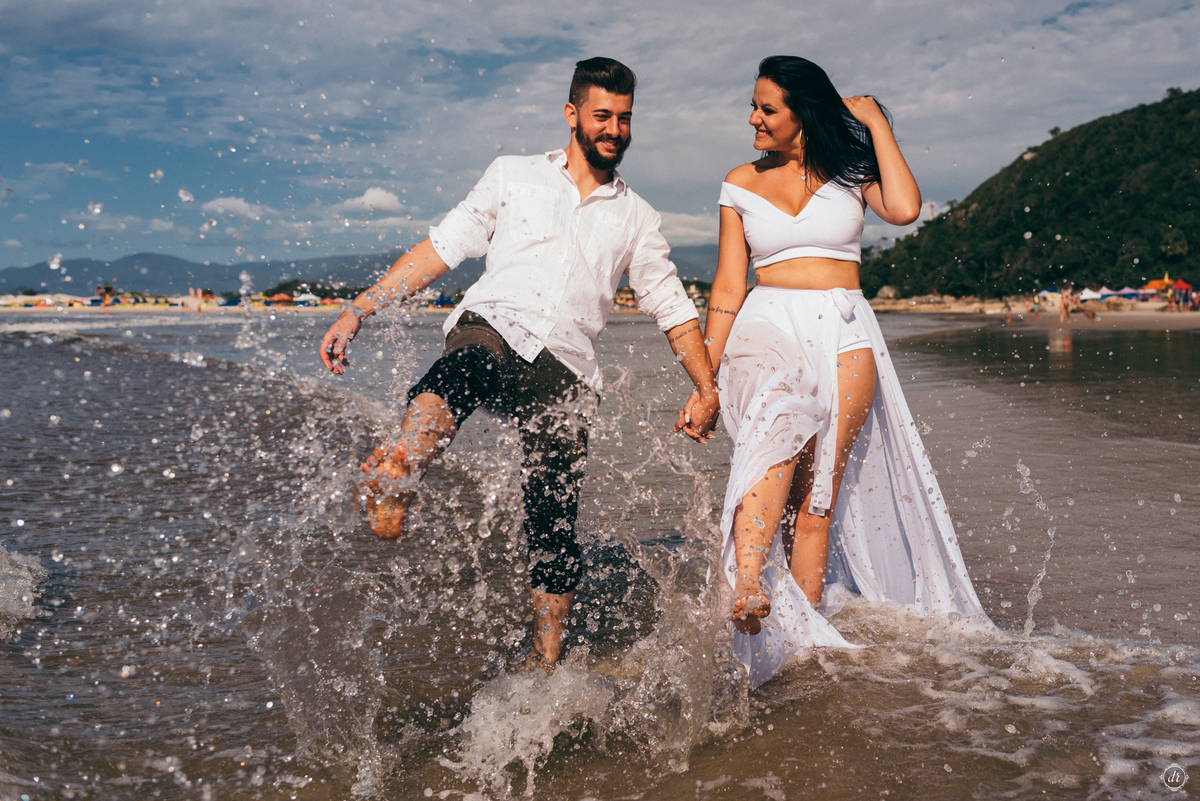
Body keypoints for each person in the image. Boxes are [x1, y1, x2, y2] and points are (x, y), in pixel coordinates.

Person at [319, 57, 720, 670]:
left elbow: (671, 304)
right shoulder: (513, 175)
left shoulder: (637, 216)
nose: (615, 129)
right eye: (603, 115)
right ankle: (400, 470)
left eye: (625, 118)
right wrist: (360, 309)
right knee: (468, 365)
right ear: (572, 114)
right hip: (495, 326)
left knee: (553, 515)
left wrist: (705, 386)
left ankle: (545, 659)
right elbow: (441, 249)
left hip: (566, 369)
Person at [680, 56, 990, 687]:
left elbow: (904, 209)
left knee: (816, 499)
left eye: (767, 108)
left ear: (803, 112)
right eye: (753, 105)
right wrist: (705, 382)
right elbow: (728, 286)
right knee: (772, 442)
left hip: (846, 330)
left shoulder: (851, 174)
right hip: (767, 325)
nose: (753, 118)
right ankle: (748, 585)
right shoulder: (739, 182)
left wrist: (876, 123)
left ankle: (798, 645)